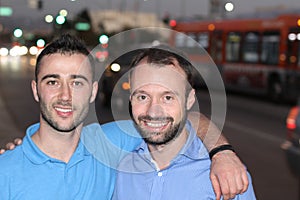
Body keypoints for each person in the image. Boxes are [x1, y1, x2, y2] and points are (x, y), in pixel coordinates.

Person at [0, 34, 247, 200]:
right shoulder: (6, 171)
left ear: (93, 92)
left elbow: (176, 120)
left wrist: (222, 152)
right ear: (35, 90)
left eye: (77, 82)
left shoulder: (111, 142)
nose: (65, 95)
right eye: (52, 81)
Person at [112, 47, 256, 199]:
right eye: (142, 97)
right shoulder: (121, 167)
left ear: (189, 100)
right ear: (130, 99)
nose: (153, 112)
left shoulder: (227, 177)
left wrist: (222, 152)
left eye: (168, 98)